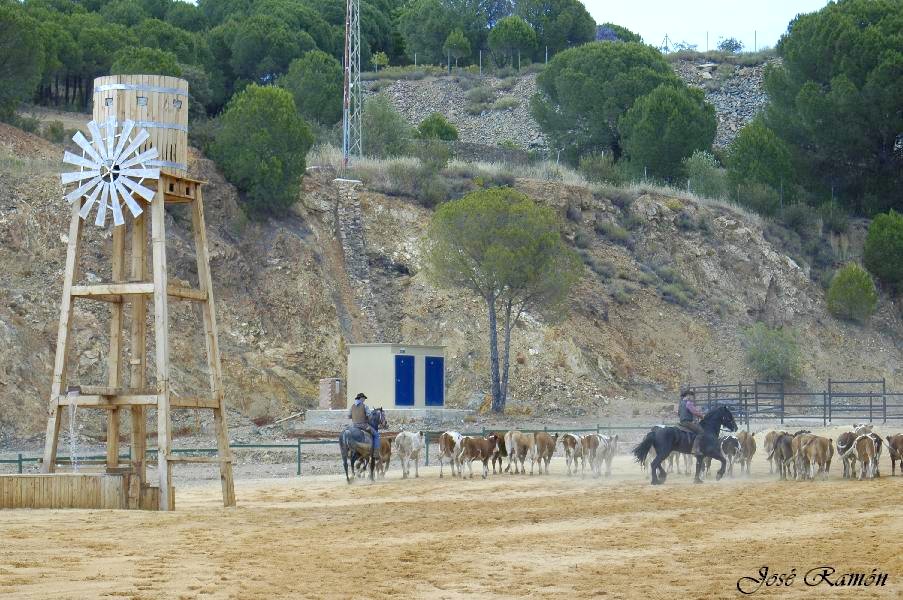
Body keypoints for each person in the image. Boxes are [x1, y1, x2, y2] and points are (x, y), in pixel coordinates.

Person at [678, 388, 705, 455]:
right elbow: (695, 412)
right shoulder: (688, 403)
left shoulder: (681, 403)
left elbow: (679, 413)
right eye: (691, 395)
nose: (692, 397)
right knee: (701, 432)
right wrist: (702, 416)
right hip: (687, 422)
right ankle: (694, 449)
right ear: (688, 395)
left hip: (682, 422)